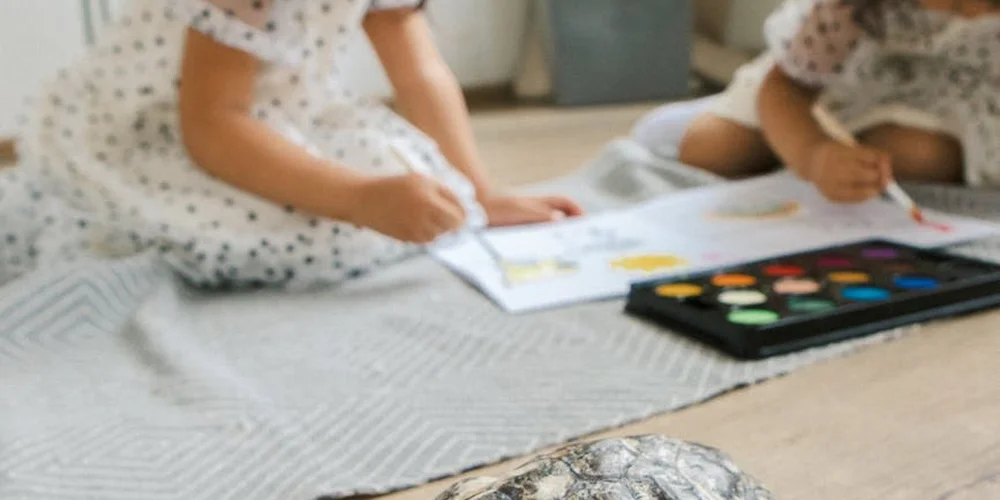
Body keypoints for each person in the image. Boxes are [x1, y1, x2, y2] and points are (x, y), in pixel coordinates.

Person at [0, 0, 583, 288]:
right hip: (159, 128)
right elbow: (213, 125)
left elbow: (417, 72)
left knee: (421, 179)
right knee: (317, 227)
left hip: (279, 107)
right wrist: (360, 199)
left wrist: (481, 193)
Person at [633, 0, 1000, 203]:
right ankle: (726, 115)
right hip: (843, 79)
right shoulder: (845, 9)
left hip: (953, 95)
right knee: (709, 150)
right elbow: (786, 87)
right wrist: (813, 154)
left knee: (908, 159)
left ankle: (818, 140)